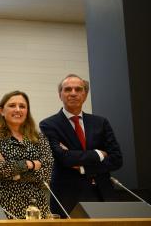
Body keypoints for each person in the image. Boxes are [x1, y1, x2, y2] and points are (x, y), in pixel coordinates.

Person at [39, 74, 122, 215]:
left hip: (102, 193)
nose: (73, 93)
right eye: (68, 89)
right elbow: (63, 158)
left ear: (85, 94)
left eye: (78, 89)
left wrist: (83, 168)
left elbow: (116, 159)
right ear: (60, 94)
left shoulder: (100, 123)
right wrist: (98, 153)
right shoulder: (48, 124)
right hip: (67, 196)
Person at [0, 90, 53, 219]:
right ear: (1, 111)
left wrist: (14, 174)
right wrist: (31, 164)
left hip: (37, 206)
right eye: (12, 105)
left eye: (22, 106)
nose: (18, 109)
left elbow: (47, 173)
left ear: (27, 111)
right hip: (3, 204)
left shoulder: (39, 137)